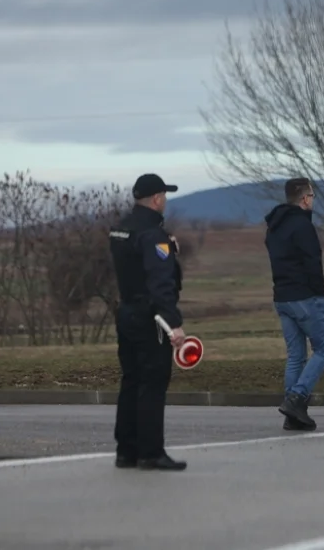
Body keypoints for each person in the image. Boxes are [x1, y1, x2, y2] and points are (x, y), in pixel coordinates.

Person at [108, 173, 187, 470]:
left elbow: (135, 265)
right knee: (152, 383)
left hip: (126, 312)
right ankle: (151, 452)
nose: (165, 200)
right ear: (156, 198)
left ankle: (126, 450)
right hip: (149, 317)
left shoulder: (121, 229)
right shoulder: (153, 235)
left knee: (131, 380)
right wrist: (173, 323)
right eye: (164, 195)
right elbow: (160, 282)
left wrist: (167, 247)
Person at [265, 177, 324, 432]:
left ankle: (292, 414)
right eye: (312, 196)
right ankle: (297, 399)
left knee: (295, 356)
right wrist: (320, 294)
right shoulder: (303, 227)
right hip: (305, 297)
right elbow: (312, 263)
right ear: (305, 198)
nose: (312, 201)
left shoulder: (274, 226)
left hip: (282, 297)